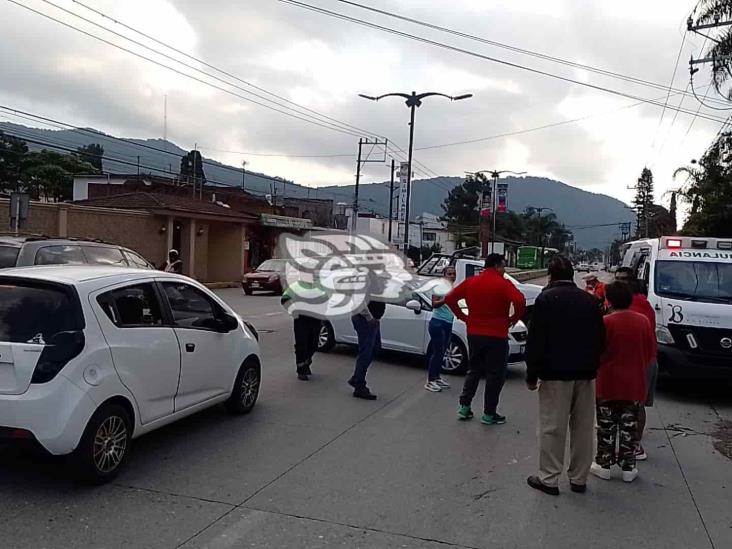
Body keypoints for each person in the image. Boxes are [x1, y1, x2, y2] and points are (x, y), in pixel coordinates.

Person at [525, 255, 605, 496]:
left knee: (553, 427)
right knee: (583, 428)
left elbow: (536, 341)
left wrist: (532, 374)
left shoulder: (546, 299)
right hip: (586, 374)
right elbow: (601, 338)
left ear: (550, 275)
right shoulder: (589, 301)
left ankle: (549, 478)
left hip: (555, 374)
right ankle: (579, 478)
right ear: (572, 275)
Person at [445, 253, 525, 425]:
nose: (504, 270)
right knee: (495, 374)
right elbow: (520, 300)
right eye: (503, 267)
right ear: (497, 266)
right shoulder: (503, 283)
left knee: (473, 370)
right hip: (497, 335)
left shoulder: (471, 282)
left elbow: (450, 298)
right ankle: (489, 413)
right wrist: (513, 318)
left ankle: (465, 407)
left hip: (474, 333)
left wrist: (462, 317)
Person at [591, 282, 656, 484]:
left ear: (609, 300)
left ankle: (604, 464)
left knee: (606, 426)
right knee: (629, 427)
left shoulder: (605, 322)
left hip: (608, 383)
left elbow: (596, 353)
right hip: (634, 384)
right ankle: (629, 467)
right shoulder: (643, 322)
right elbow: (650, 353)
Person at [614, 266, 657, 461]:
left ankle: (634, 445)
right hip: (632, 360)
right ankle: (629, 445)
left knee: (636, 405)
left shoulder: (639, 305)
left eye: (623, 279)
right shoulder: (629, 303)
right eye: (617, 279)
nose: (619, 282)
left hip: (640, 361)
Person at [281, 280, 323, 381]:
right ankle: (301, 369)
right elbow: (284, 299)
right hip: (301, 319)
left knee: (314, 344)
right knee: (301, 344)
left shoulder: (320, 286)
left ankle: (306, 361)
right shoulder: (296, 286)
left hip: (315, 319)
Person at [425, 266, 457, 393]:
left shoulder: (452, 288)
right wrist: (445, 300)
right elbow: (434, 304)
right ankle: (430, 380)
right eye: (449, 274)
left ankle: (437, 377)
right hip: (437, 323)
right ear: (444, 275)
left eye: (454, 274)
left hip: (448, 322)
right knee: (437, 352)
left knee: (443, 352)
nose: (452, 276)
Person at [348, 299, 386, 400]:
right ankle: (359, 386)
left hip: (372, 319)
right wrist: (369, 318)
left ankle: (356, 377)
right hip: (364, 319)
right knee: (366, 352)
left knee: (375, 349)